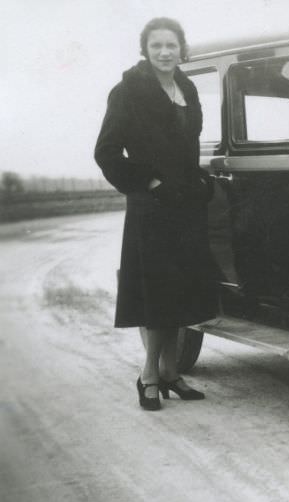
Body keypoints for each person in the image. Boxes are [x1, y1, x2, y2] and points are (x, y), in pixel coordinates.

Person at [95, 17, 217, 410]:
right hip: (153, 208)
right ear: (145, 51)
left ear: (182, 48)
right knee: (159, 295)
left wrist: (199, 182)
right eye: (156, 46)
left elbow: (185, 148)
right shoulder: (129, 91)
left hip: (186, 207)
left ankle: (170, 373)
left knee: (181, 292)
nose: (165, 52)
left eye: (171, 45)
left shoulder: (188, 88)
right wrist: (149, 183)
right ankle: (148, 374)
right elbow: (107, 153)